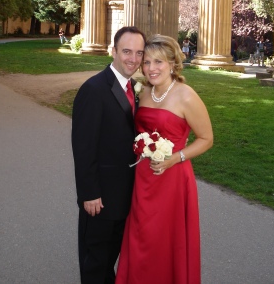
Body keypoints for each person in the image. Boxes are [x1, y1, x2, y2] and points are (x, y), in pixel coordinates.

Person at [116, 34, 213, 284]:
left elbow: (206, 139)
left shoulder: (186, 96)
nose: (151, 68)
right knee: (142, 235)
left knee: (166, 238)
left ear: (172, 63)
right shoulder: (144, 91)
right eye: (146, 62)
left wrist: (175, 158)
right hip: (143, 177)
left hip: (172, 177)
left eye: (158, 62)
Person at [71, 26, 146, 284]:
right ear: (112, 51)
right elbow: (83, 147)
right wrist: (89, 193)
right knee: (96, 263)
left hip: (124, 195)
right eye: (126, 51)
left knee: (110, 259)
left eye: (139, 53)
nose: (133, 59)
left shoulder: (133, 88)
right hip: (99, 198)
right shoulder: (94, 90)